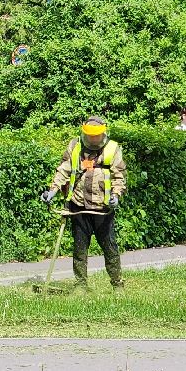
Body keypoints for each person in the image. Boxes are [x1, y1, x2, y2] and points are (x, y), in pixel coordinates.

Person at [42, 117, 128, 288]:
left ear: (103, 133)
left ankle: (117, 284)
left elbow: (120, 176)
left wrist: (116, 196)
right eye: (90, 136)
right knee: (79, 248)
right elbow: (63, 170)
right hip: (78, 206)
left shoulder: (112, 148)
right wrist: (53, 190)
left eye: (96, 136)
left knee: (110, 248)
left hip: (102, 209)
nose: (93, 140)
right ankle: (81, 285)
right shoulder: (75, 146)